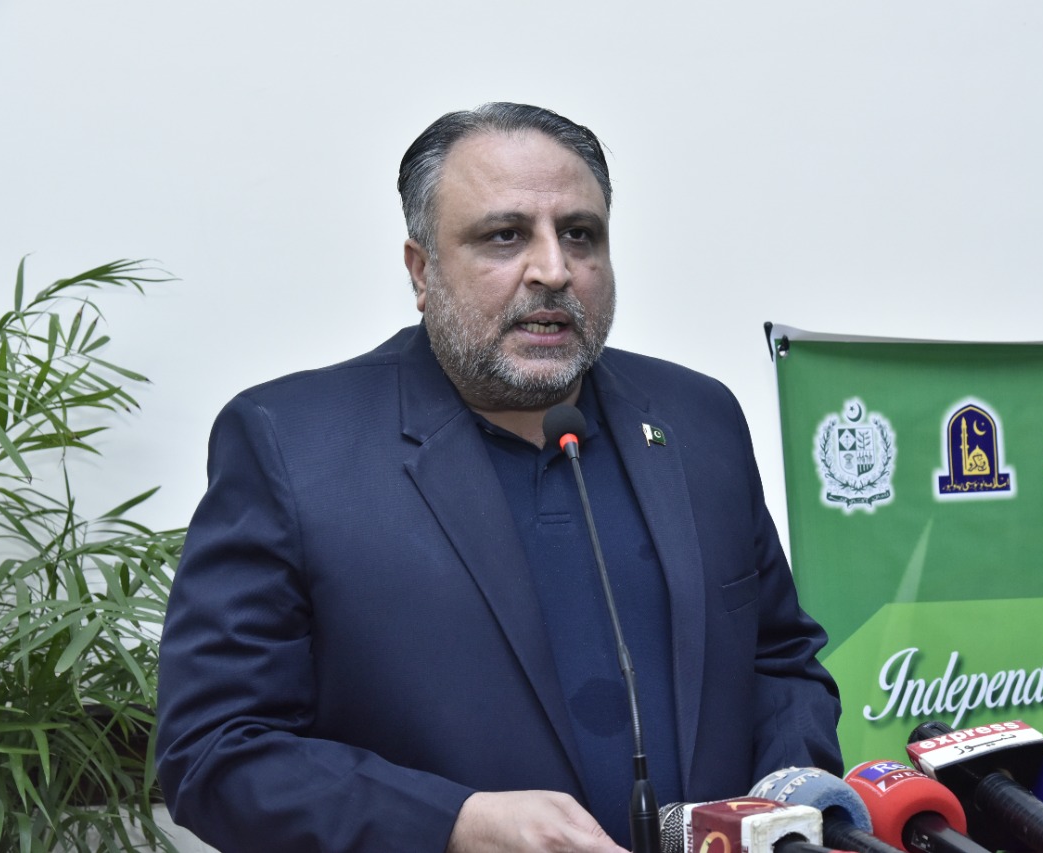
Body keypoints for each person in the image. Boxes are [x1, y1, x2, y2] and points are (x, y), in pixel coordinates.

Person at [155, 102, 842, 853]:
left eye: (579, 234)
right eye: (505, 236)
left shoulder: (697, 418)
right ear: (422, 271)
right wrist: (453, 825)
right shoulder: (292, 444)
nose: (553, 270)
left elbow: (780, 662)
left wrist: (788, 802)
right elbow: (215, 751)